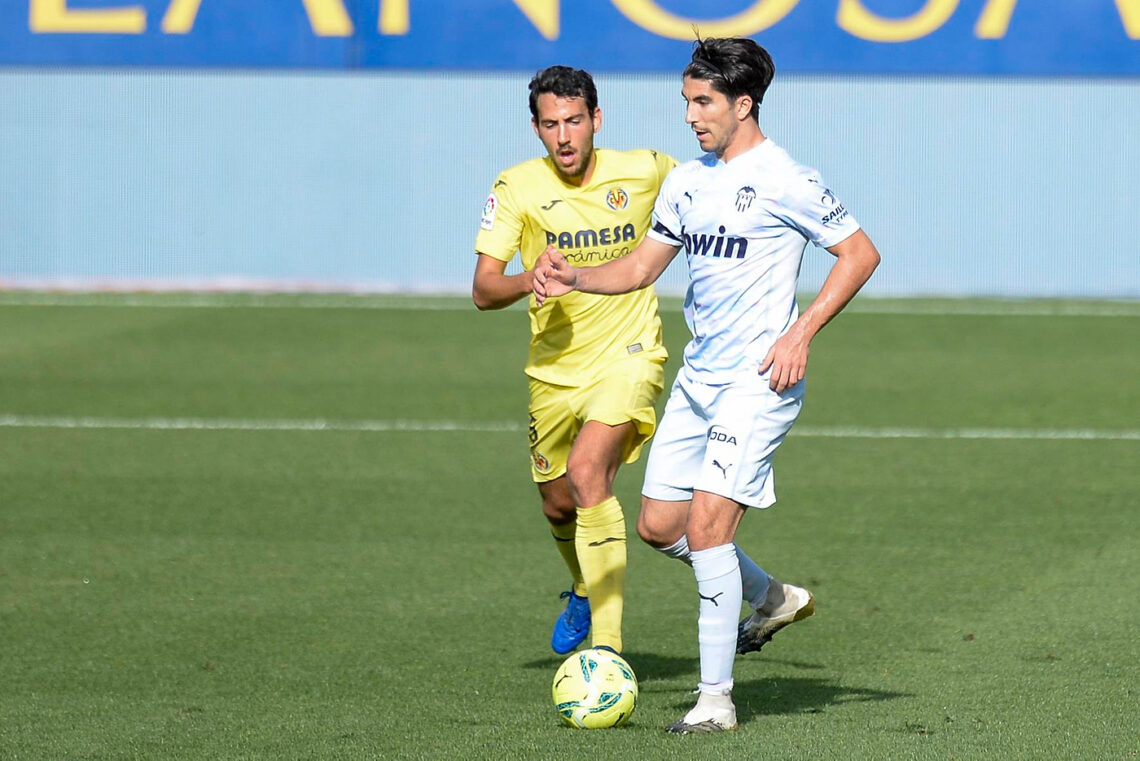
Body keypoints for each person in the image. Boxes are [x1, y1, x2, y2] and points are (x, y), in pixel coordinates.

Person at [533, 37, 881, 732]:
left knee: (709, 528)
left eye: (703, 102)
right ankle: (771, 595)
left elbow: (859, 253)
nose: (690, 116)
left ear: (742, 103)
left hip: (759, 382)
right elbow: (638, 269)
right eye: (686, 102)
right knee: (660, 525)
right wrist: (574, 274)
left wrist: (800, 331)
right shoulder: (687, 180)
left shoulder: (787, 177)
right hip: (700, 381)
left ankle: (715, 700)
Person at [472, 65, 677, 656]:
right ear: (536, 128)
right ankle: (584, 586)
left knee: (590, 476)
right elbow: (485, 289)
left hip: (630, 356)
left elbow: (710, 189)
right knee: (558, 500)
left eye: (574, 121)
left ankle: (608, 652)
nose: (564, 136)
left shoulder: (645, 170)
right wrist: (527, 278)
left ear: (597, 120)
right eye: (551, 124)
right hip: (555, 370)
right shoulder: (516, 188)